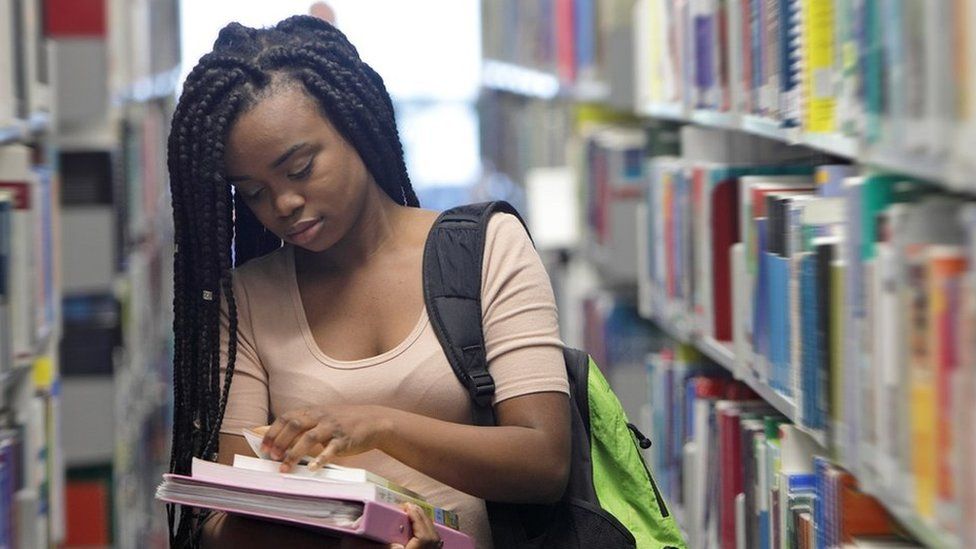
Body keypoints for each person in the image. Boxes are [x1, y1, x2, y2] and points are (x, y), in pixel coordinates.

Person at [166, 15, 571, 549]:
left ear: (355, 127)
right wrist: (346, 536)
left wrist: (379, 426)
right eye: (255, 192)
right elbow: (224, 522)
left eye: (300, 169)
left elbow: (545, 462)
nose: (283, 204)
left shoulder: (485, 248)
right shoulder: (245, 300)